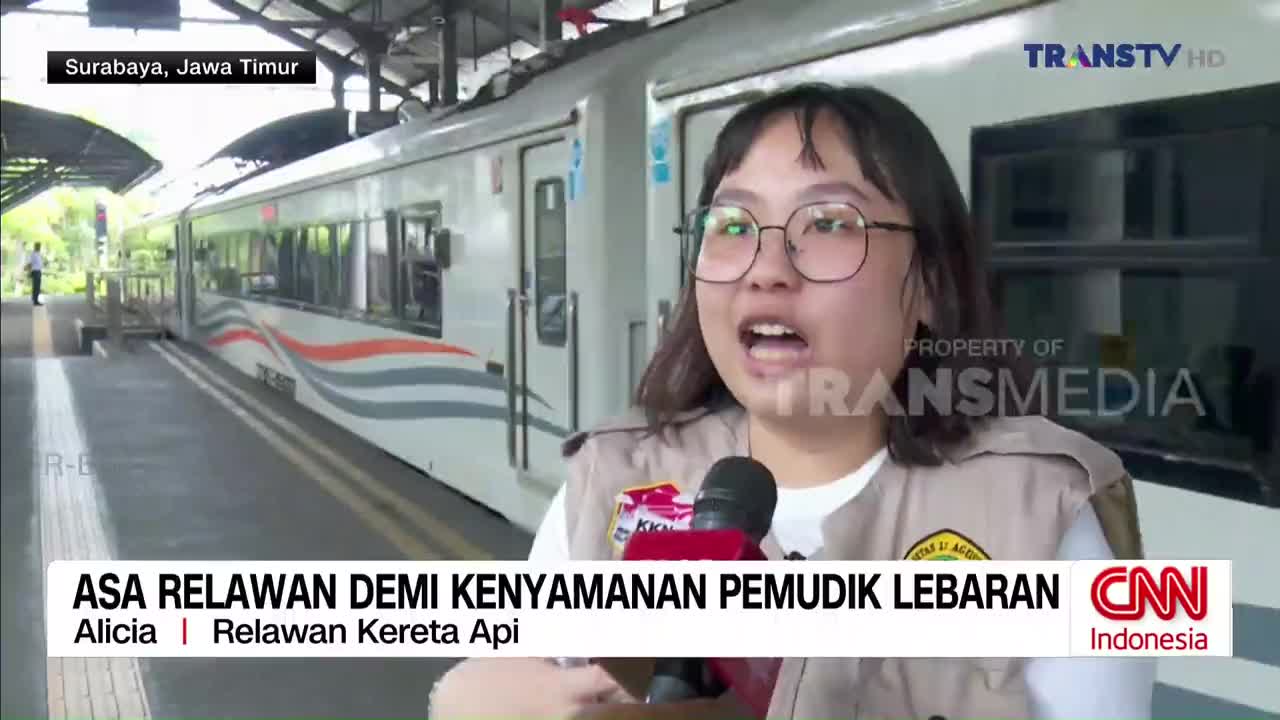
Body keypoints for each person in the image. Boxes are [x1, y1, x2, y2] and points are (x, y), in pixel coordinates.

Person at [429, 83, 1156, 719]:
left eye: (830, 223)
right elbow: (514, 688)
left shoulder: (1041, 515)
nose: (766, 268)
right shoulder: (610, 483)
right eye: (732, 226)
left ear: (931, 285)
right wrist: (459, 702)